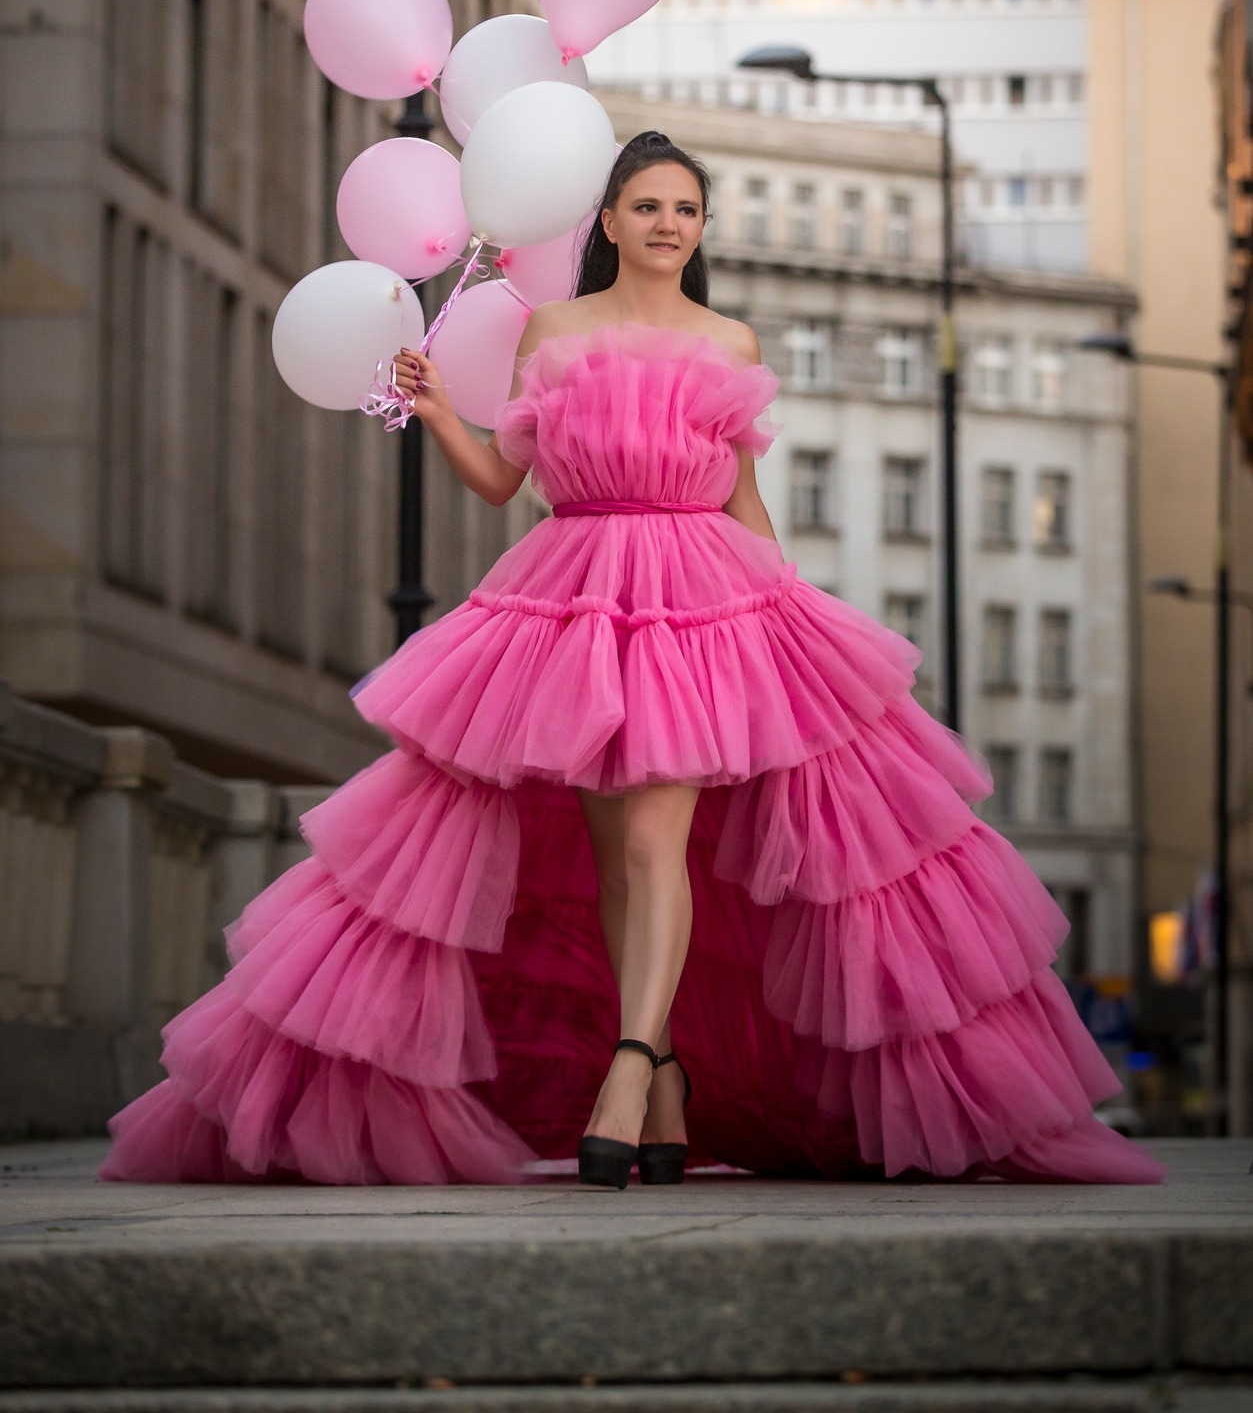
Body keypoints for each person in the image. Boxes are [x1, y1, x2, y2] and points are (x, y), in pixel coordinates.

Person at [101, 131, 1163, 1188]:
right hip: (575, 597)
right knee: (615, 858)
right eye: (647, 205)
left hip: (699, 605)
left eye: (685, 209)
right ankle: (662, 1084)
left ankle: (628, 1064)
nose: (667, 224)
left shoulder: (730, 342)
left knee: (657, 840)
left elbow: (744, 502)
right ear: (607, 220)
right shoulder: (552, 331)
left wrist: (785, 619)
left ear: (701, 228)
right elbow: (503, 480)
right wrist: (435, 410)